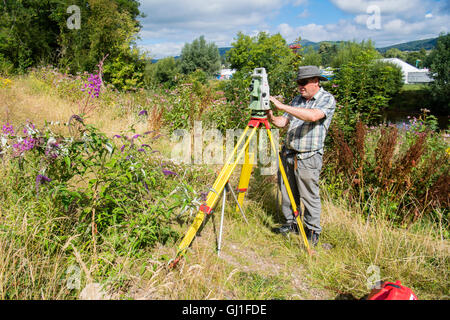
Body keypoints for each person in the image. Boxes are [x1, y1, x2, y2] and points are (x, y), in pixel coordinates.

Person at [267, 65, 336, 247]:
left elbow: (313, 116)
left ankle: (312, 231)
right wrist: (272, 117)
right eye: (298, 83)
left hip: (308, 157)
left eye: (303, 82)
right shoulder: (297, 100)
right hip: (288, 153)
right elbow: (284, 122)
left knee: (309, 196)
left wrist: (283, 105)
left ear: (315, 81)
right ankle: (292, 224)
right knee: (287, 193)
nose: (300, 86)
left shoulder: (327, 99)